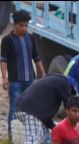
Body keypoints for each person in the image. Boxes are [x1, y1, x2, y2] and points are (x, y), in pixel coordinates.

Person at [1, 9, 45, 137]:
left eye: (26, 25)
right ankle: (12, 135)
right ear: (14, 24)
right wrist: (4, 78)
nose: (24, 28)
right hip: (15, 82)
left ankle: (30, 133)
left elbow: (36, 57)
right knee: (15, 107)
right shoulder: (7, 40)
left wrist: (43, 74)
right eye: (22, 25)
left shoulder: (30, 38)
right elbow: (3, 60)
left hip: (31, 80)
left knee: (32, 107)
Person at [14, 73, 75, 144]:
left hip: (26, 109)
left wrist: (54, 127)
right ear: (69, 87)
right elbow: (70, 103)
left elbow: (44, 116)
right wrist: (74, 122)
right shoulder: (63, 83)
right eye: (70, 91)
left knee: (44, 139)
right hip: (30, 112)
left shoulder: (52, 84)